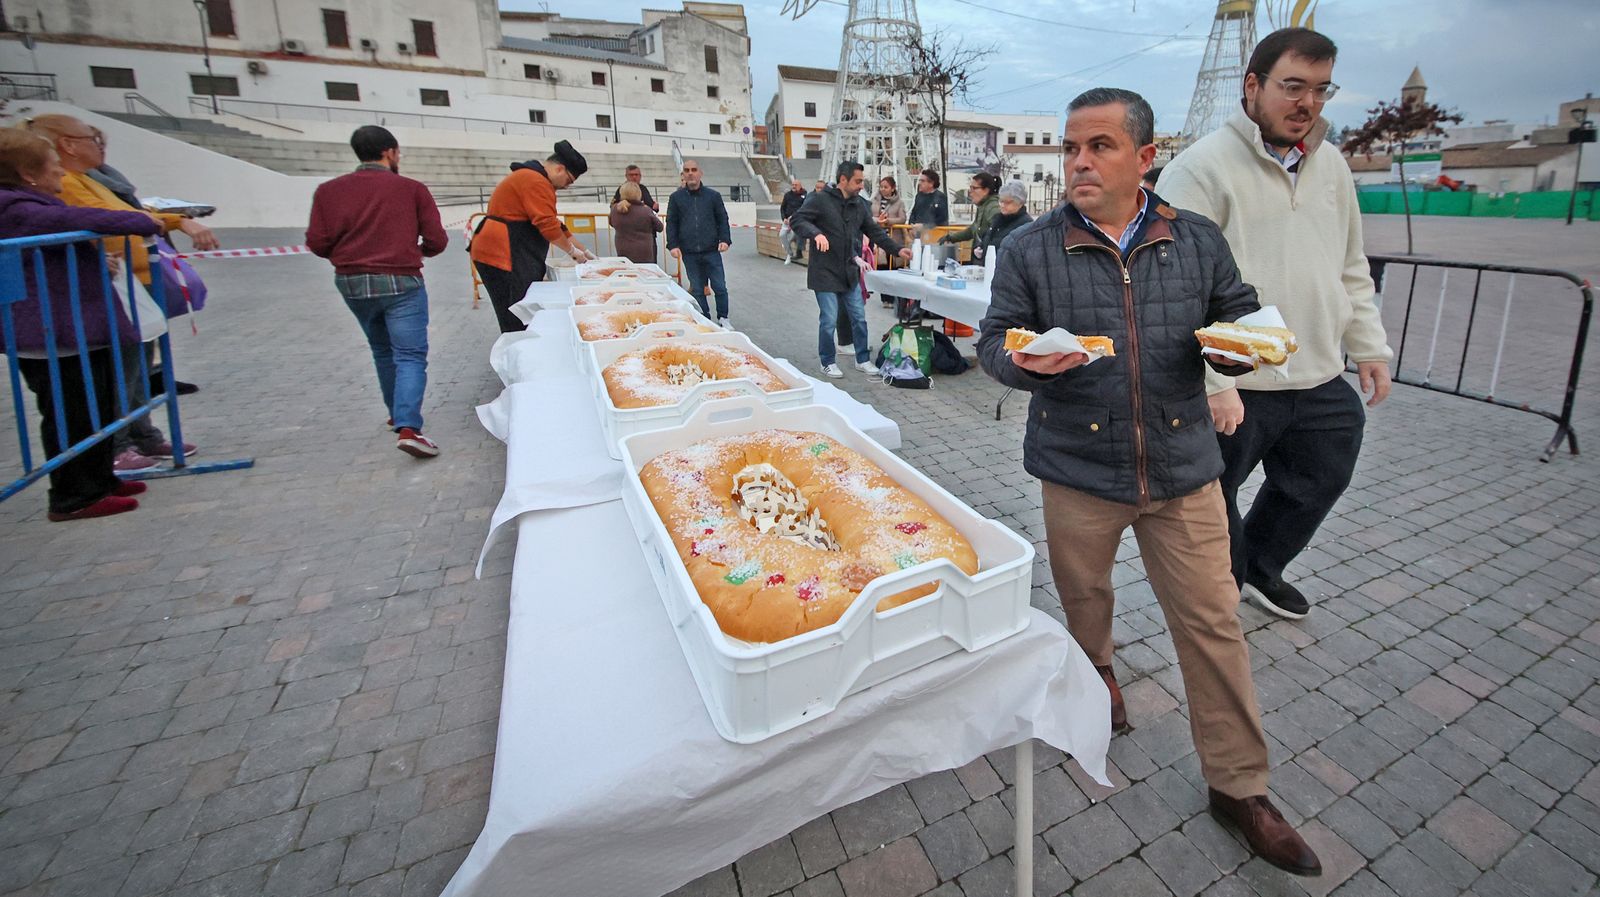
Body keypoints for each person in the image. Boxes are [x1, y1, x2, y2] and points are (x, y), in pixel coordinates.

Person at [975, 87, 1322, 877]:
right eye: (1070, 147)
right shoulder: (1031, 247)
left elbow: (1238, 317)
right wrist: (1019, 361)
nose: (1078, 162)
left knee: (1214, 622)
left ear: (1144, 155)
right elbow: (996, 338)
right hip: (1077, 467)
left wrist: (1237, 355)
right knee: (1085, 599)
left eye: (1098, 146)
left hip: (1183, 470)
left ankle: (1240, 787)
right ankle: (1099, 675)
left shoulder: (1195, 239)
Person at [1157, 28, 1392, 620]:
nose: (1306, 103)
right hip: (1238, 382)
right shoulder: (1201, 169)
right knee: (1215, 500)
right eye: (1292, 86)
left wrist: (1369, 346)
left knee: (1321, 475)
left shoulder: (1331, 164)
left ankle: (1260, 568)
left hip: (1316, 373)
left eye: (1319, 89)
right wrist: (1217, 383)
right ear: (1253, 86)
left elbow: (1349, 263)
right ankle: (1221, 591)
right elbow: (1177, 289)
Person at [0, 128, 162, 520]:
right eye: (53, 165)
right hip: (51, 333)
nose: (60, 174)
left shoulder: (29, 202)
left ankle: (100, 478)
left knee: (96, 406)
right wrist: (143, 220)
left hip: (73, 329)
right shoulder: (17, 207)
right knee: (69, 413)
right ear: (29, 173)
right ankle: (74, 495)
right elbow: (80, 217)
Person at [31, 113, 204, 471]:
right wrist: (147, 222)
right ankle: (118, 443)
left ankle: (143, 434)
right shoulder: (68, 185)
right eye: (91, 139)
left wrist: (175, 219)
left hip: (135, 281)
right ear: (68, 144)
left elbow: (134, 211)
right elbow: (110, 218)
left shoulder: (96, 179)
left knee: (139, 364)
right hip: (110, 285)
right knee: (119, 370)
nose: (99, 145)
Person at [307, 126, 449, 459]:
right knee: (410, 355)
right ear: (390, 152)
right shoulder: (411, 189)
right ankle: (409, 427)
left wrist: (350, 257)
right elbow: (437, 240)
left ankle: (396, 414)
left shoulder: (328, 191)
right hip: (401, 281)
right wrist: (414, 252)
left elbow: (317, 242)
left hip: (352, 282)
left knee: (382, 350)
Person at [790, 160, 913, 378]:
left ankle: (862, 359)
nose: (860, 185)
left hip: (849, 271)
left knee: (859, 318)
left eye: (862, 181)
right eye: (857, 181)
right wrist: (816, 233)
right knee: (828, 319)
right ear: (843, 180)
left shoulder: (859, 205)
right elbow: (798, 220)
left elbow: (874, 231)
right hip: (825, 272)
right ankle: (827, 361)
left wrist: (897, 250)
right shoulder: (819, 199)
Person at [470, 140, 594, 333]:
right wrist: (572, 252)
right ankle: (516, 352)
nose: (566, 187)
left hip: (507, 253)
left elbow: (556, 225)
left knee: (519, 309)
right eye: (569, 181)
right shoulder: (535, 181)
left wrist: (585, 251)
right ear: (560, 169)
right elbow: (546, 224)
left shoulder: (532, 178)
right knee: (515, 312)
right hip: (503, 256)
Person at [665, 159, 733, 328]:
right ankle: (704, 318)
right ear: (683, 175)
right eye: (686, 170)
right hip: (689, 252)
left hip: (711, 250)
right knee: (697, 288)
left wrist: (725, 240)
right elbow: (672, 222)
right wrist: (672, 244)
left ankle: (724, 318)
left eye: (694, 169)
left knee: (719, 286)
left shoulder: (713, 196)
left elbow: (722, 219)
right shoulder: (676, 198)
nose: (690, 173)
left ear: (700, 173)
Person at [938, 171, 999, 249]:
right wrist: (951, 238)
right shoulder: (983, 206)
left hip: (989, 256)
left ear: (986, 190)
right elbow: (972, 230)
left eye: (974, 188)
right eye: (970, 188)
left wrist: (984, 245)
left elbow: (999, 231)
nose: (970, 191)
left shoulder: (993, 207)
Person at [975, 180, 1032, 261]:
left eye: (1007, 202)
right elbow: (987, 239)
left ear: (1020, 203)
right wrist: (980, 248)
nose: (1002, 205)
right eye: (1001, 201)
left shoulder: (1026, 225)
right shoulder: (997, 219)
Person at [609, 181, 663, 264]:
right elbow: (660, 227)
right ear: (638, 194)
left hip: (622, 248)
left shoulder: (615, 209)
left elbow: (612, 223)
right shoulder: (645, 210)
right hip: (643, 251)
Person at [907, 167, 949, 235]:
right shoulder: (919, 196)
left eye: (923, 181)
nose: (919, 183)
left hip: (935, 235)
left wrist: (924, 226)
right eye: (920, 180)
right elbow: (914, 213)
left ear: (931, 183)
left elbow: (942, 219)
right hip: (918, 235)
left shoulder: (941, 197)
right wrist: (910, 228)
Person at [779, 178, 807, 264]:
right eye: (793, 185)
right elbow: (782, 208)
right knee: (782, 236)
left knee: (794, 236)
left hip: (797, 220)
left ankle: (798, 253)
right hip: (787, 221)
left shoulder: (805, 195)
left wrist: (794, 217)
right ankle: (790, 253)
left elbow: (804, 208)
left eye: (796, 185)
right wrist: (784, 218)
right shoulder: (787, 195)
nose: (794, 186)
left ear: (800, 186)